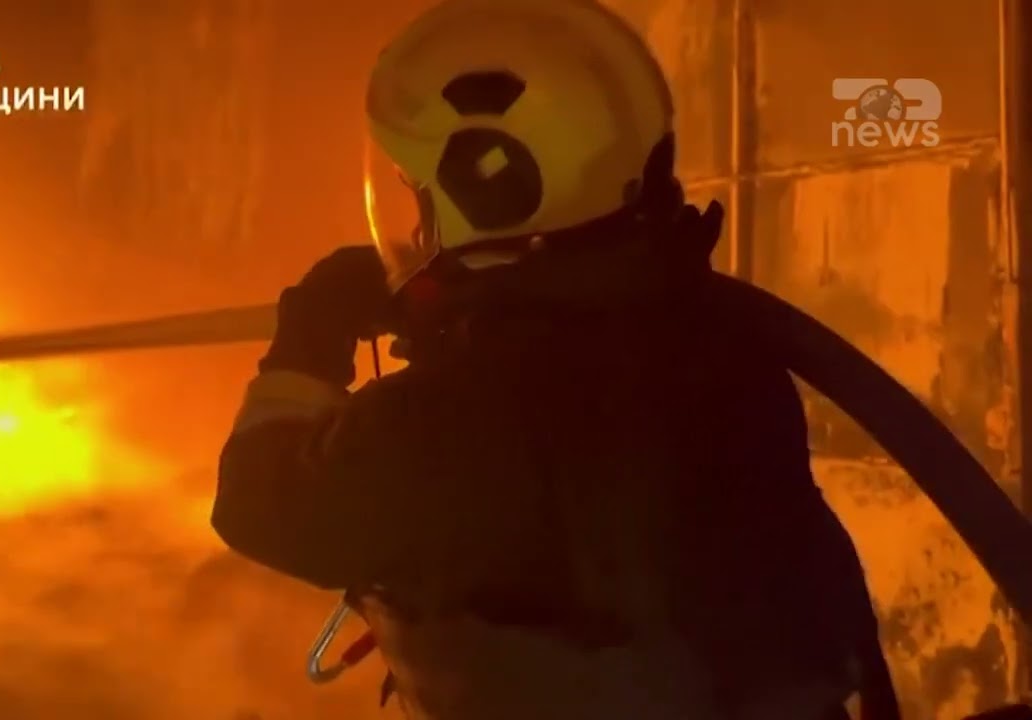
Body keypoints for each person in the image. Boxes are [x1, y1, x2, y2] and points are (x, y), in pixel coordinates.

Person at [212, 0, 901, 717]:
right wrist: (466, 315)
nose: (417, 228)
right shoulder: (721, 349)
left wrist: (310, 337)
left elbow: (257, 503)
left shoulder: (450, 421)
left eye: (424, 200)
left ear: (491, 187)